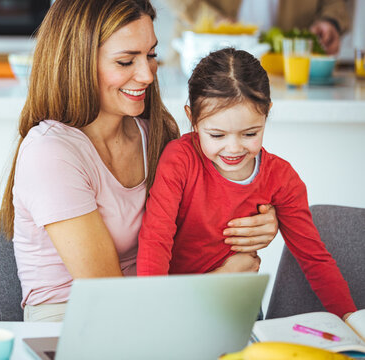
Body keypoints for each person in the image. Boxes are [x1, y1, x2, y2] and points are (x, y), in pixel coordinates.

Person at [0, 0, 279, 322]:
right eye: (125, 61)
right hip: (77, 325)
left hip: (159, 314)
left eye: (150, 55)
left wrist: (258, 219)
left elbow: (203, 217)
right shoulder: (51, 153)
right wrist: (217, 283)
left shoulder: (157, 133)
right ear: (77, 61)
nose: (146, 75)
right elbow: (112, 302)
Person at [137, 47, 356, 319]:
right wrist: (149, 311)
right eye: (217, 135)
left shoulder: (282, 178)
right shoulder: (180, 160)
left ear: (267, 114)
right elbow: (155, 240)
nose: (233, 148)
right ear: (192, 119)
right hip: (174, 306)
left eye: (250, 133)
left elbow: (314, 258)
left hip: (237, 306)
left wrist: (350, 319)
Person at [165, 0, 350, 55]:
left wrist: (330, 21)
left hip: (286, 73)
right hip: (199, 58)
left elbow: (333, 3)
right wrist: (212, 20)